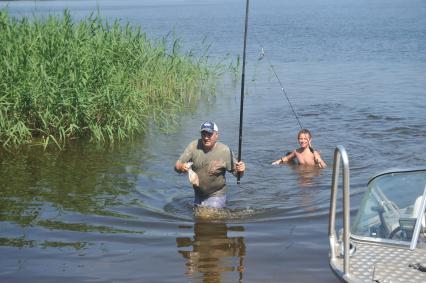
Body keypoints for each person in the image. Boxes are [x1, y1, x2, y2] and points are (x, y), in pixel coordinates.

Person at [175, 121, 246, 208]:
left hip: (217, 194)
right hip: (198, 194)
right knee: (198, 218)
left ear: (217, 135)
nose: (206, 137)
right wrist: (182, 167)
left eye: (209, 134)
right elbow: (176, 167)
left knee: (207, 217)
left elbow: (237, 174)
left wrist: (241, 170)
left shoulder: (224, 151)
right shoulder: (193, 146)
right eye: (203, 134)